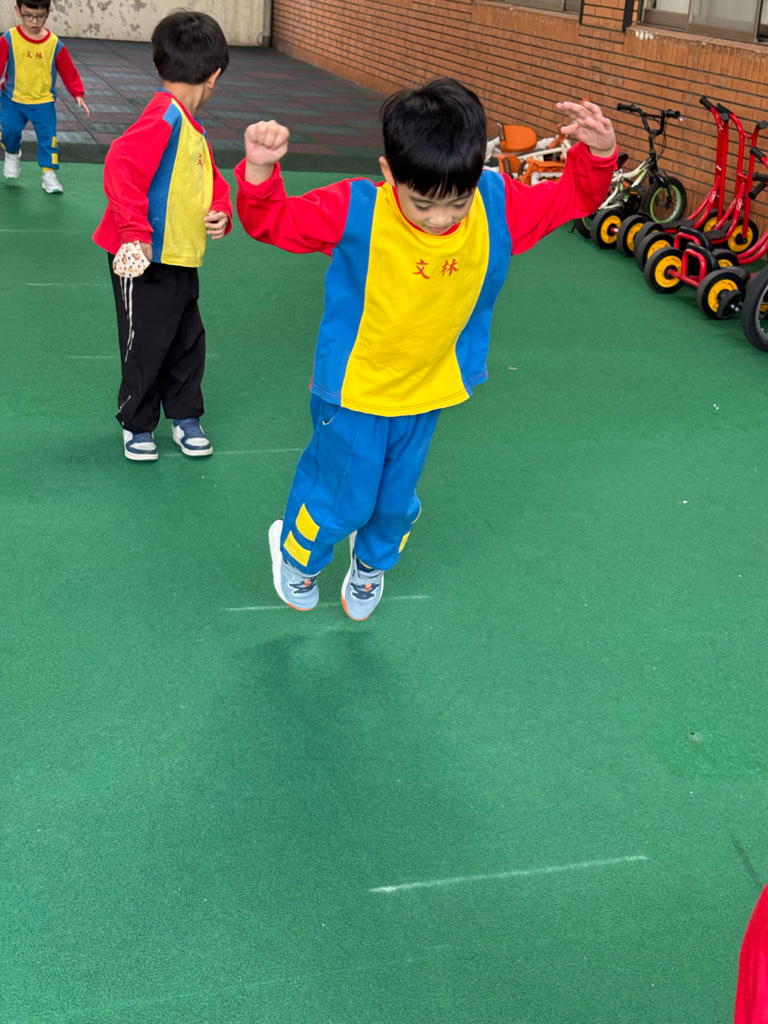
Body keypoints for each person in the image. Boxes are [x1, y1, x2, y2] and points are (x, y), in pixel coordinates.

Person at [235, 78, 616, 620]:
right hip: (356, 389)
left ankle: (371, 564)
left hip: (427, 388)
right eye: (423, 203)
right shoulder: (358, 209)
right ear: (390, 173)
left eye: (457, 202)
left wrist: (598, 155)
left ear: (476, 175)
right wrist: (260, 172)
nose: (441, 219)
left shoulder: (495, 204)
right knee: (343, 495)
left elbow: (572, 197)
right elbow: (272, 222)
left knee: (394, 500)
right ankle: (297, 556)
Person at [92, 11, 232, 462]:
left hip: (180, 256)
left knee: (187, 339)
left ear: (159, 64)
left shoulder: (191, 126)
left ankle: (185, 416)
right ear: (215, 76)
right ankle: (137, 424)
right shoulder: (164, 116)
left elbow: (211, 179)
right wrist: (135, 232)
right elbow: (120, 163)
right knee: (146, 342)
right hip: (144, 257)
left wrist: (222, 209)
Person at [0, 0, 90, 193]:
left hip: (43, 102)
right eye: (28, 15)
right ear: (18, 11)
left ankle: (49, 174)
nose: (34, 21)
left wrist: (77, 92)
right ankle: (12, 152)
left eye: (40, 16)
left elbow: (68, 70)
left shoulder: (54, 43)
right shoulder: (10, 38)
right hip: (13, 100)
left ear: (48, 12)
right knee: (9, 132)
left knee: (48, 139)